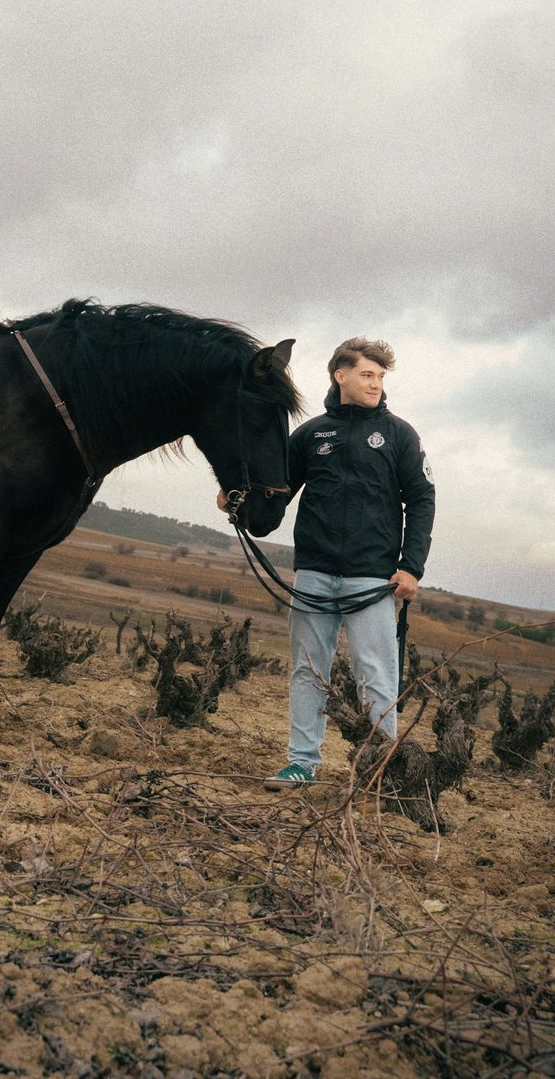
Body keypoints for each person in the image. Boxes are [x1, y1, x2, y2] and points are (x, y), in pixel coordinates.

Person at [235, 337, 435, 789]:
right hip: (315, 573)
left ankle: (378, 771)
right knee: (308, 670)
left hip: (373, 578)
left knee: (376, 676)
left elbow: (421, 499)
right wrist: (241, 504)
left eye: (381, 376)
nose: (376, 384)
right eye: (368, 374)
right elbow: (275, 492)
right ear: (340, 375)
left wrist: (412, 566)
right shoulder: (311, 434)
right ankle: (301, 764)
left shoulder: (400, 435)